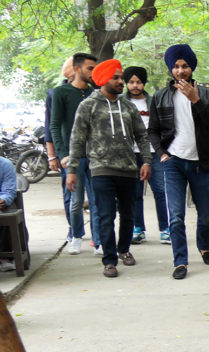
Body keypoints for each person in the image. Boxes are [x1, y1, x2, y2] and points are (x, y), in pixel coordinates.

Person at [66, 60, 151, 278]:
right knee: (105, 215)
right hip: (101, 168)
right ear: (103, 79)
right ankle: (109, 260)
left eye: (121, 77)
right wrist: (72, 170)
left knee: (129, 215)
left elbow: (142, 135)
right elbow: (77, 139)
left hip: (129, 168)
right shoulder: (88, 105)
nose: (121, 82)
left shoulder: (128, 106)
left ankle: (124, 250)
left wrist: (147, 161)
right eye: (116, 78)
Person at [148, 43, 209, 280]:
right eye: (176, 67)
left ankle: (204, 247)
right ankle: (180, 261)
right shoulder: (161, 96)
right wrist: (161, 152)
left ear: (192, 68)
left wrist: (196, 100)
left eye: (185, 66)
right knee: (176, 215)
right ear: (170, 69)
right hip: (173, 162)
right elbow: (152, 130)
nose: (180, 71)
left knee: (205, 213)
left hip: (200, 162)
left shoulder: (207, 94)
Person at [51, 52, 98, 256]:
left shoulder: (96, 93)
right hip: (73, 157)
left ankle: (99, 240)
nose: (93, 72)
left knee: (98, 200)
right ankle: (76, 235)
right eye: (90, 68)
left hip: (96, 156)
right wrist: (61, 154)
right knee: (76, 201)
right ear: (77, 69)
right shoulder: (61, 93)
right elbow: (54, 125)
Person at [122, 65, 169, 246]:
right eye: (131, 82)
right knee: (134, 193)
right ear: (126, 84)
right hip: (130, 154)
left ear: (144, 83)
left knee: (160, 190)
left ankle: (165, 229)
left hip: (153, 153)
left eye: (138, 82)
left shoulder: (153, 101)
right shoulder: (121, 103)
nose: (135, 85)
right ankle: (138, 229)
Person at [44, 57, 75, 184]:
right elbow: (51, 126)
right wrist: (52, 156)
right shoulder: (55, 95)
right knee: (71, 195)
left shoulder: (90, 93)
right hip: (66, 153)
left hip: (89, 154)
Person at [0, 157, 18, 272]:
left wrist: (3, 200)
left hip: (1, 202)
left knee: (8, 210)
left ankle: (6, 258)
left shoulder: (5, 164)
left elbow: (9, 192)